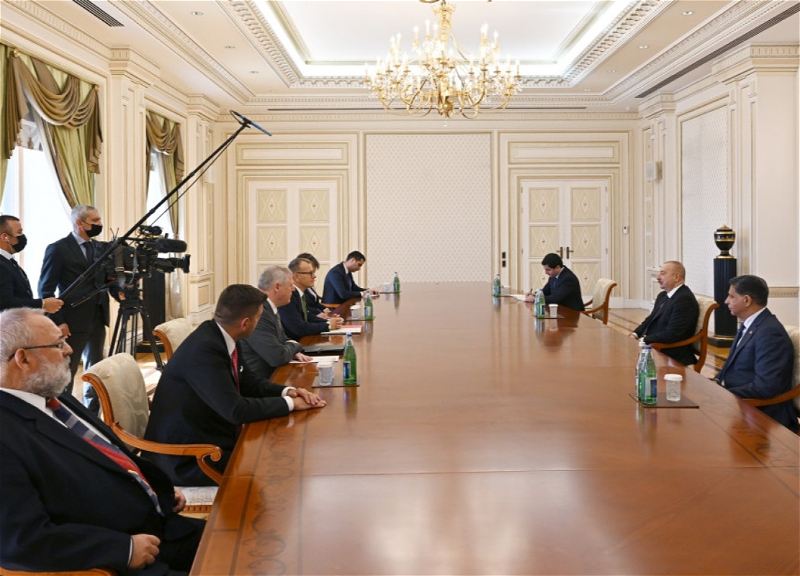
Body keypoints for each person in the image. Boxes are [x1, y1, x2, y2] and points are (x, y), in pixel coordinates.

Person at [0, 307, 204, 575]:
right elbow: (21, 541)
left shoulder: (49, 392)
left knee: (245, 541)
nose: (69, 350)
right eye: (58, 344)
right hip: (119, 558)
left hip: (160, 525)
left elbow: (103, 456)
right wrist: (122, 549)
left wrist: (154, 488)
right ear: (23, 359)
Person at [144, 284, 326, 486]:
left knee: (283, 453)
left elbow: (249, 382)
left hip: (212, 436)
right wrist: (290, 405)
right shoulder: (204, 350)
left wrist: (289, 392)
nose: (259, 322)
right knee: (278, 465)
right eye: (259, 318)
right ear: (245, 323)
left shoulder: (223, 334)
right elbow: (236, 410)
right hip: (188, 457)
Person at [39, 204, 109, 410]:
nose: (100, 224)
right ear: (80, 223)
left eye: (99, 219)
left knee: (96, 369)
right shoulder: (58, 249)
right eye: (95, 221)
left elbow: (104, 280)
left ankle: (92, 413)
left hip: (98, 316)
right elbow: (46, 289)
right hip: (72, 320)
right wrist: (58, 321)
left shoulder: (100, 248)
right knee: (68, 371)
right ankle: (64, 413)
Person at [715, 275, 798, 433]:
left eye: (731, 296)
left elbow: (766, 386)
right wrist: (716, 381)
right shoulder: (751, 324)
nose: (726, 301)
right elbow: (731, 366)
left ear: (747, 300)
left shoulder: (770, 333)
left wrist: (724, 394)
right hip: (739, 403)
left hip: (761, 414)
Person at [241, 266, 314, 380]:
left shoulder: (269, 307)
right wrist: (296, 346)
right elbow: (277, 356)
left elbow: (283, 339)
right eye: (290, 285)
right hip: (260, 382)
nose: (293, 289)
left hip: (273, 375)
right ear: (277, 287)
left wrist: (291, 350)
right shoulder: (258, 311)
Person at [631, 261, 700, 366]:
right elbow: (650, 320)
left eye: (662, 273)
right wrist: (635, 334)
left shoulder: (684, 299)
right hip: (653, 348)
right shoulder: (663, 295)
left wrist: (643, 340)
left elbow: (672, 334)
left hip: (671, 356)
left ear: (676, 277)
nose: (658, 277)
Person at [0, 215, 62, 313]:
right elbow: (6, 302)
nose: (22, 236)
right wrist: (42, 304)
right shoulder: (1, 264)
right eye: (19, 232)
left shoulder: (9, 261)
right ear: (5, 237)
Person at [280, 258, 344, 340]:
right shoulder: (289, 296)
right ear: (296, 276)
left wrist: (330, 321)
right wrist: (328, 325)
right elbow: (299, 328)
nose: (314, 276)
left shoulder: (299, 294)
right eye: (310, 273)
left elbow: (308, 317)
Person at [296, 252, 334, 320]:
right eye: (310, 273)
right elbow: (305, 309)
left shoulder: (308, 286)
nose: (314, 276)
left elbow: (315, 303)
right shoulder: (295, 291)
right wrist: (319, 314)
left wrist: (325, 309)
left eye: (313, 272)